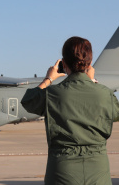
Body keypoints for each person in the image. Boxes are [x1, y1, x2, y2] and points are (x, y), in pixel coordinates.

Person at [21, 36, 119, 185]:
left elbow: (28, 101)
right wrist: (93, 82)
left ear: (64, 63)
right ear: (90, 63)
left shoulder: (52, 94)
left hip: (62, 170)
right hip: (98, 169)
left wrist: (48, 79)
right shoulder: (105, 94)